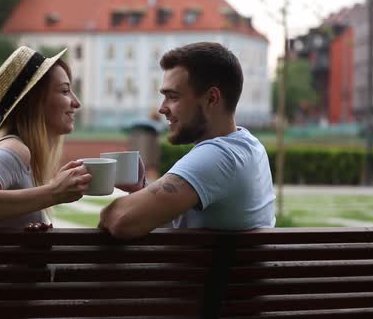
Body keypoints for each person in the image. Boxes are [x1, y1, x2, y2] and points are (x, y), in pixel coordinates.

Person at [99, 42, 276, 239]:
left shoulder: (218, 156)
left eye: (173, 97)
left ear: (211, 99)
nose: (162, 108)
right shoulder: (250, 146)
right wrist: (143, 193)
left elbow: (120, 220)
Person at [0, 46, 92, 227]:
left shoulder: (16, 149)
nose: (76, 103)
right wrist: (54, 192)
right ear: (35, 102)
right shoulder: (15, 149)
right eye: (64, 91)